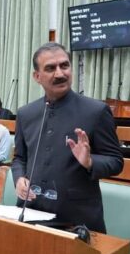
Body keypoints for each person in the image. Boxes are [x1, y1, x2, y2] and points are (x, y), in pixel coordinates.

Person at [12, 42, 123, 233]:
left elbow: (116, 161)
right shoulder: (25, 113)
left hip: (77, 220)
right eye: (50, 68)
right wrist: (19, 178)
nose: (60, 74)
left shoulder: (96, 111)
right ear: (37, 76)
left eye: (64, 66)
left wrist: (90, 162)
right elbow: (19, 158)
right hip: (31, 213)